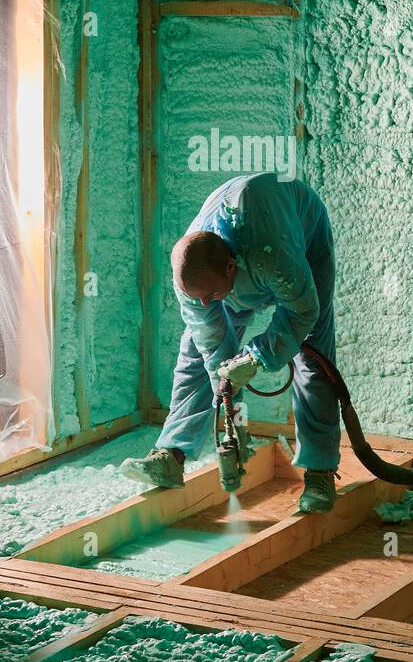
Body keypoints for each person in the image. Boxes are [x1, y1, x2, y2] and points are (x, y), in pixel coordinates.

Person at [120, 172, 341, 512]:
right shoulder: (194, 279)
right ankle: (171, 454)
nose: (207, 303)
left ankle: (320, 471)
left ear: (229, 267)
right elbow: (212, 345)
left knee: (311, 359)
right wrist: (230, 405)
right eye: (200, 298)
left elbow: (301, 312)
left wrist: (255, 358)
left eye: (211, 295)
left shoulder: (272, 256)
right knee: (194, 353)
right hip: (242, 262)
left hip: (300, 241)